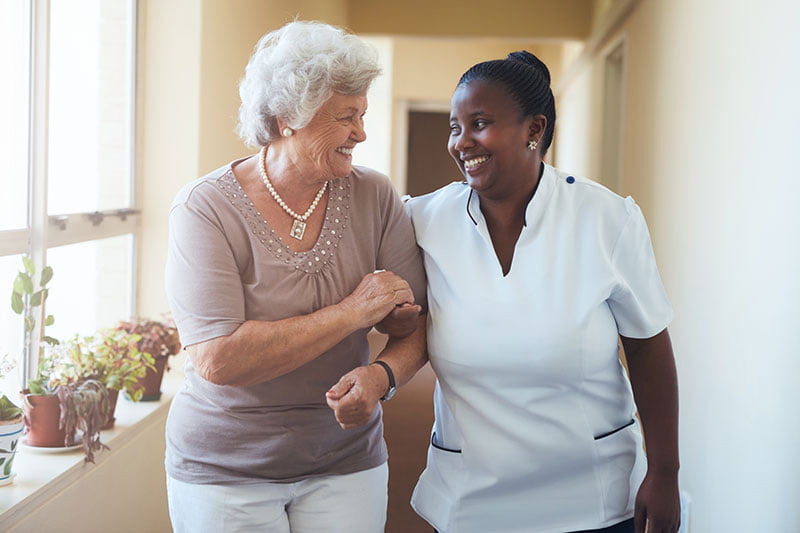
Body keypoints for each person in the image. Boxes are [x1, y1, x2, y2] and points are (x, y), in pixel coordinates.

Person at [164, 21, 427, 533]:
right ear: (288, 118)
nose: (362, 133)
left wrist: (382, 375)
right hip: (225, 470)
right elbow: (219, 358)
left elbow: (414, 326)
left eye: (363, 114)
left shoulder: (375, 195)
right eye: (346, 117)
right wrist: (353, 312)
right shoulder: (205, 208)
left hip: (346, 458)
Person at [407, 51, 681, 533]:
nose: (461, 142)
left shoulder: (606, 219)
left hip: (592, 498)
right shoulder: (423, 220)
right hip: (469, 499)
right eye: (455, 127)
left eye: (480, 123)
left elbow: (647, 347)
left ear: (534, 129)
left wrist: (664, 472)